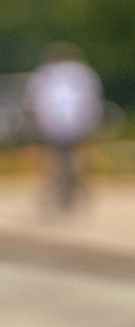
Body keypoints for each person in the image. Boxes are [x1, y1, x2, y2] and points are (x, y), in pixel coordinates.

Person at [26, 42, 104, 214]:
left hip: (51, 124)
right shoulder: (82, 73)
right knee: (75, 159)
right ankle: (71, 192)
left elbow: (34, 102)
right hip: (76, 123)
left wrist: (34, 126)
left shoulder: (45, 74)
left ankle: (56, 192)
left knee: (54, 160)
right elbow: (91, 99)